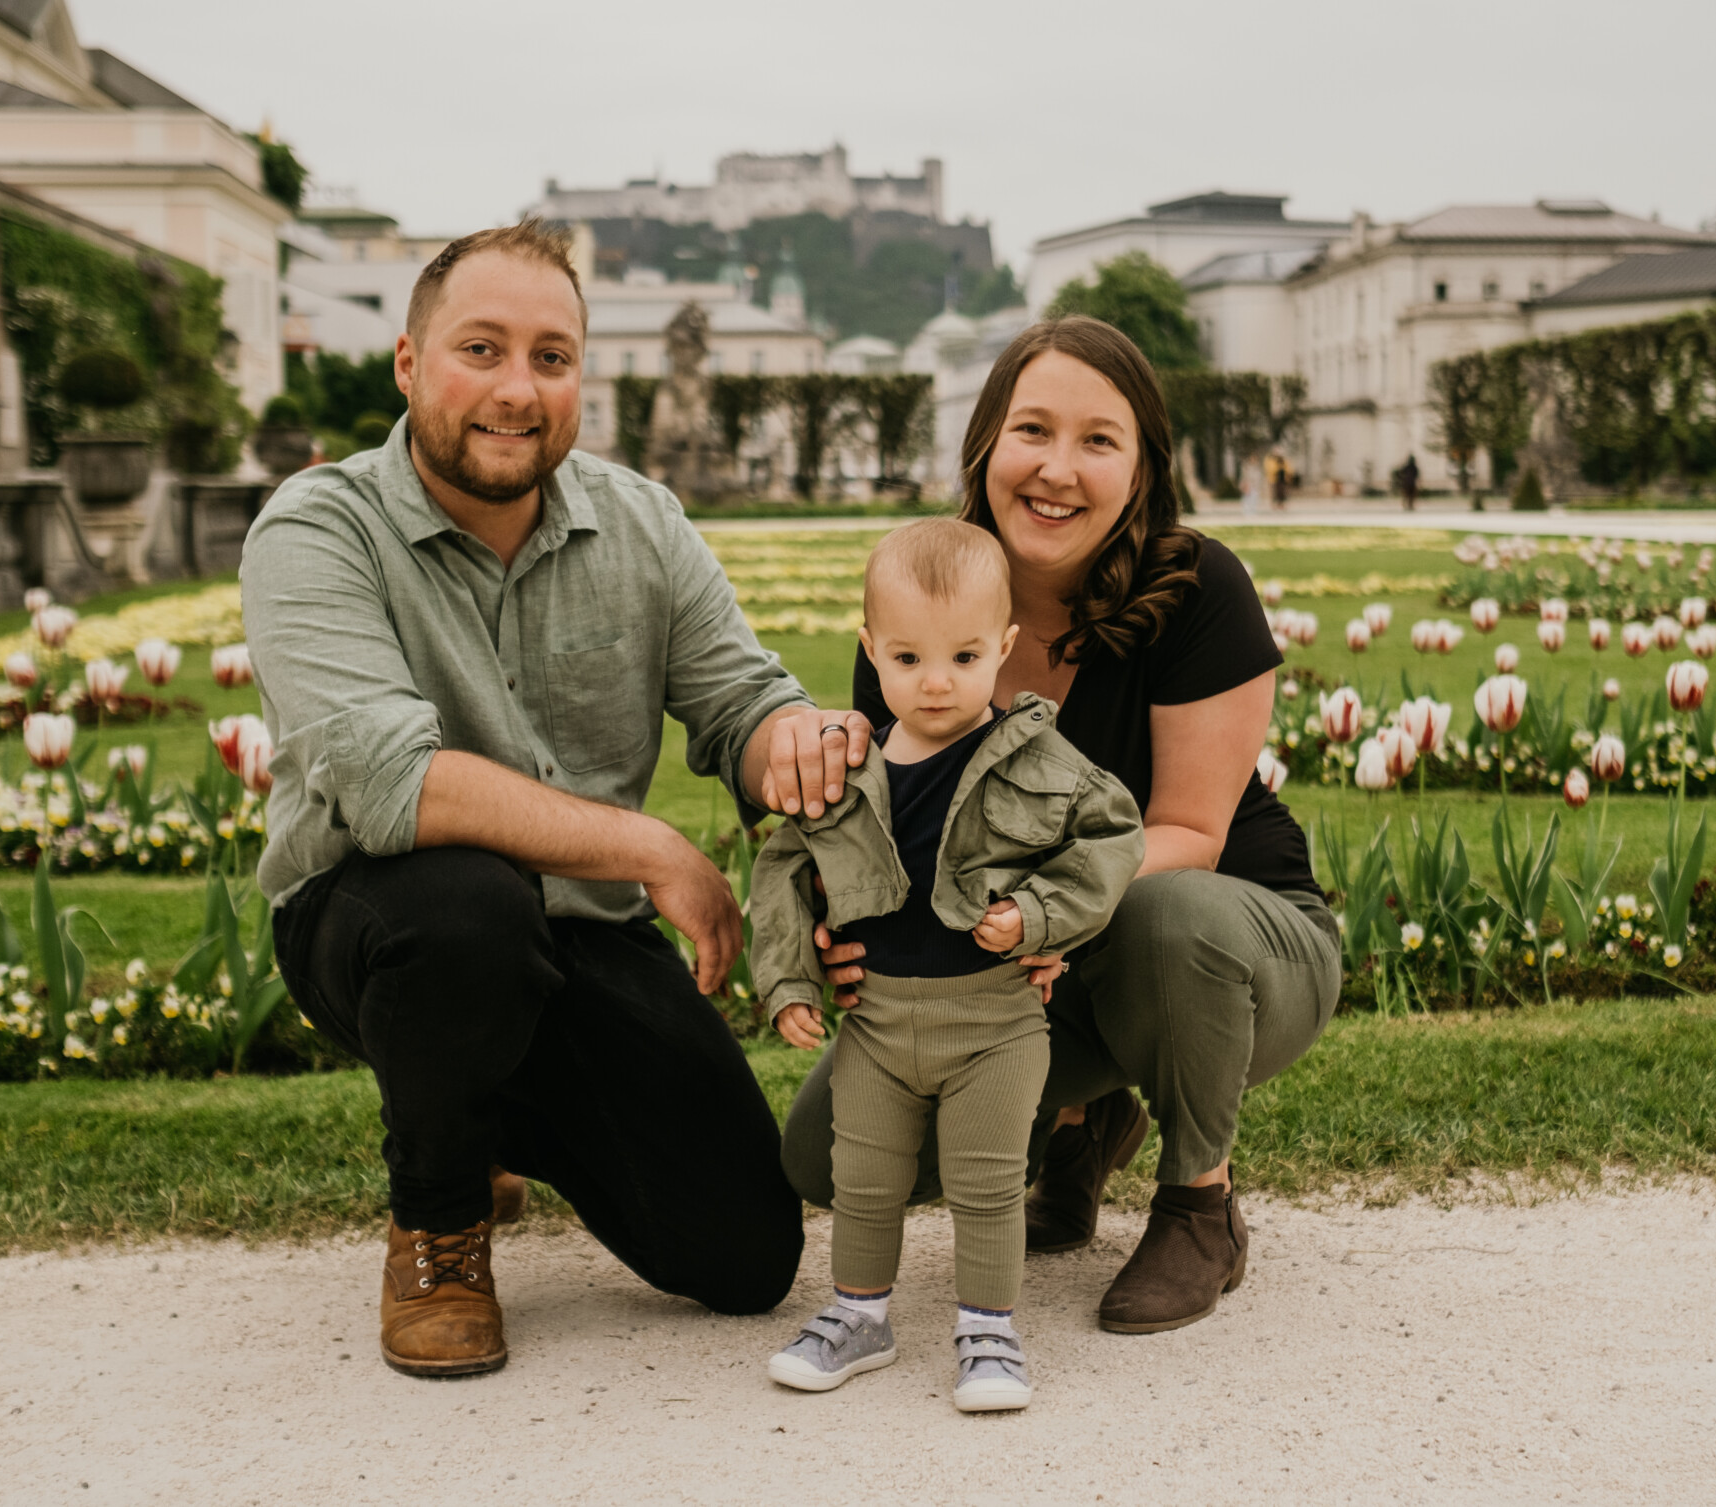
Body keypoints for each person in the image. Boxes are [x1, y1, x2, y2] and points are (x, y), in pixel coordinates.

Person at [242, 221, 871, 1379]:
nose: (516, 390)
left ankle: (481, 1103)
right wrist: (644, 844)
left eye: (551, 357)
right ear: (408, 364)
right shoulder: (319, 527)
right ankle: (438, 1220)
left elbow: (740, 700)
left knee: (742, 1257)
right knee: (464, 909)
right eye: (479, 350)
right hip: (377, 926)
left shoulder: (640, 522)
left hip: (579, 930)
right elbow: (389, 780)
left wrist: (805, 747)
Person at [779, 315, 1343, 1336]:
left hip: (1232, 943)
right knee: (822, 1150)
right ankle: (1082, 1123)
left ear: (1141, 468)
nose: (1057, 468)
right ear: (986, 440)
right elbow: (904, 831)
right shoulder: (926, 601)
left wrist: (1038, 913)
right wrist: (853, 932)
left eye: (1098, 440)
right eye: (1032, 430)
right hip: (1021, 958)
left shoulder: (1199, 591)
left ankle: (1198, 1204)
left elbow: (1186, 833)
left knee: (1169, 915)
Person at [752, 520, 1143, 1412]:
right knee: (865, 1175)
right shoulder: (849, 770)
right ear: (869, 652)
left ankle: (989, 1329)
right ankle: (860, 1315)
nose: (938, 681)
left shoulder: (1036, 756)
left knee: (987, 1179)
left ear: (1004, 648)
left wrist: (1043, 915)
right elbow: (781, 870)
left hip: (995, 1021)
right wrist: (787, 981)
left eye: (966, 656)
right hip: (880, 1023)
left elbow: (1114, 836)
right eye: (909, 656)